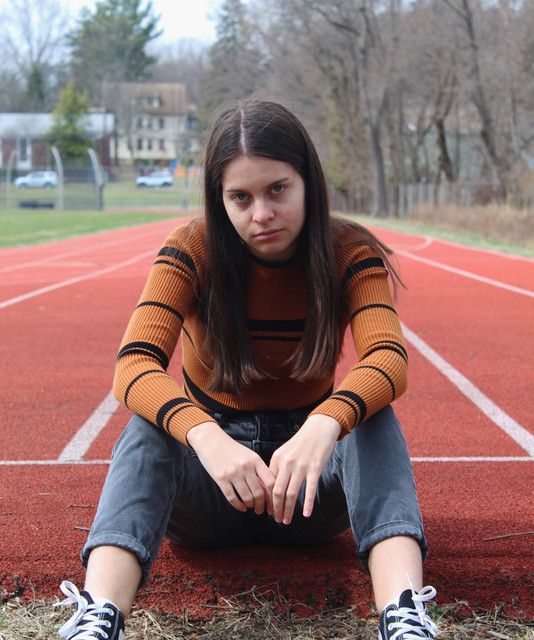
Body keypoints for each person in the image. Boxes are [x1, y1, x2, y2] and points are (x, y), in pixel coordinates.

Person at [56, 98, 440, 640]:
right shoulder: (191, 249)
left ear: (308, 183)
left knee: (372, 416)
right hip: (209, 490)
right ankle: (98, 617)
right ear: (220, 200)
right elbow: (134, 364)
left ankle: (404, 616)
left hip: (305, 493)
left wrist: (324, 423)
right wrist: (206, 436)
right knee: (149, 425)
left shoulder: (349, 251)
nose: (261, 214)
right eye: (241, 197)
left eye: (278, 189)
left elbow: (387, 358)